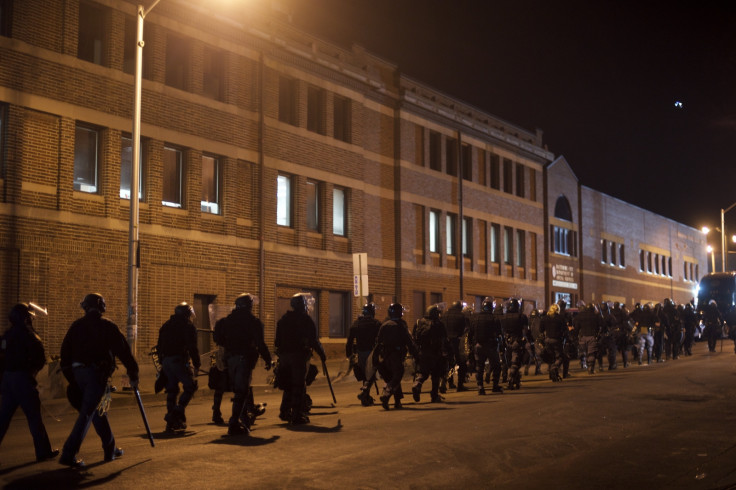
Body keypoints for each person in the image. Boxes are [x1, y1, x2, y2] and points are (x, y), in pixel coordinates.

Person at [59, 293, 139, 468]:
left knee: (97, 410)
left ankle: (110, 448)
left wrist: (72, 378)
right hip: (95, 374)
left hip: (77, 373)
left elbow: (64, 354)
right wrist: (133, 373)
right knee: (88, 413)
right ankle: (68, 453)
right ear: (101, 307)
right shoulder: (107, 326)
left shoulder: (76, 326)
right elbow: (123, 351)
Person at [0, 303, 58, 462]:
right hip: (23, 380)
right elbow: (39, 359)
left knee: (3, 418)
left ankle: (44, 451)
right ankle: (43, 451)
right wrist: (30, 375)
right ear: (26, 318)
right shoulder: (30, 336)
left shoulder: (6, 335)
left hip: (8, 380)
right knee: (34, 417)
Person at [214, 293, 272, 434]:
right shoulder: (253, 322)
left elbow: (218, 339)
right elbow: (260, 343)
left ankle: (244, 419)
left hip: (230, 359)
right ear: (249, 306)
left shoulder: (225, 321)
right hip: (244, 359)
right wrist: (268, 359)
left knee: (240, 390)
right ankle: (234, 423)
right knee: (241, 391)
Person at [274, 293, 325, 425]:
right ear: (303, 306)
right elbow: (314, 340)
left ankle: (284, 411)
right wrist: (322, 353)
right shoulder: (305, 320)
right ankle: (297, 414)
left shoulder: (283, 320)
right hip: (298, 356)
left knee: (288, 385)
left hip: (285, 356)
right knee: (298, 385)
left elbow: (277, 341)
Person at [157, 302, 200, 432]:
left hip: (166, 361)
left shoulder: (166, 325)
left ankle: (173, 423)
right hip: (179, 360)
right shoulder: (188, 326)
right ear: (187, 313)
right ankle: (175, 413)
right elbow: (192, 347)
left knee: (172, 390)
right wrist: (197, 364)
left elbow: (159, 345)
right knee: (190, 386)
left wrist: (162, 361)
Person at [375, 303, 418, 410]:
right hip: (396, 355)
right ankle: (387, 393)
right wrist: (416, 354)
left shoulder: (384, 324)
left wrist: (376, 357)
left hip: (385, 356)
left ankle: (397, 402)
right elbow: (409, 341)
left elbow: (378, 341)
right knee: (397, 376)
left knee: (392, 377)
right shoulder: (401, 325)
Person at [345, 302, 381, 406]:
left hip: (360, 352)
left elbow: (350, 341)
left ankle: (366, 395)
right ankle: (365, 392)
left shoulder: (356, 324)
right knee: (371, 372)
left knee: (366, 373)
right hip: (372, 351)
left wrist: (349, 354)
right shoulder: (376, 323)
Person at [411, 304, 449, 403]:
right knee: (435, 375)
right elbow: (444, 339)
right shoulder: (438, 324)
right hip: (436, 352)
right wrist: (447, 351)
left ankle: (417, 384)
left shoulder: (419, 322)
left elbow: (414, 337)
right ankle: (434, 395)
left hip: (423, 352)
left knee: (423, 372)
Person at [469, 297, 503, 394]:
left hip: (478, 346)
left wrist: (472, 345)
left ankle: (480, 387)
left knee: (479, 367)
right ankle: (495, 386)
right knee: (496, 366)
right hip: (491, 346)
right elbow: (499, 333)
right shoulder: (494, 318)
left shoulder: (475, 318)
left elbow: (470, 333)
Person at [498, 298, 528, 390]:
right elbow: (525, 330)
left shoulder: (504, 317)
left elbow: (501, 330)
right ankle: (511, 378)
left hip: (507, 341)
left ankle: (515, 378)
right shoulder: (521, 316)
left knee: (509, 361)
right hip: (517, 341)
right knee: (516, 361)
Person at [441, 301, 469, 392]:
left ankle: (446, 382)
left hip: (446, 342)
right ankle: (460, 385)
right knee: (461, 364)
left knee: (448, 364)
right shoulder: (461, 316)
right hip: (457, 342)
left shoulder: (444, 315)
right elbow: (465, 329)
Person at [540, 303, 568, 381]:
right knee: (560, 357)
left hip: (547, 340)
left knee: (551, 357)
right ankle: (554, 368)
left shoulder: (545, 318)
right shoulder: (560, 318)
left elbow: (541, 330)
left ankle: (552, 374)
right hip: (557, 340)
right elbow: (565, 330)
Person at [573, 302, 602, 374]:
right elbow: (602, 325)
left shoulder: (580, 316)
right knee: (591, 353)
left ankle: (585, 364)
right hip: (592, 336)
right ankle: (590, 368)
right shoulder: (596, 316)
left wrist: (575, 337)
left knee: (585, 353)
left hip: (582, 337)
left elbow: (576, 328)